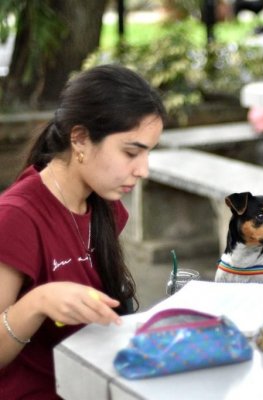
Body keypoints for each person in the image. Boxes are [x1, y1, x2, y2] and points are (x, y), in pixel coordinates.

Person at [0, 64, 166, 398]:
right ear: (80, 139)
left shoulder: (103, 207)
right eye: (131, 152)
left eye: (148, 153)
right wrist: (38, 302)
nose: (143, 170)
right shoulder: (16, 217)